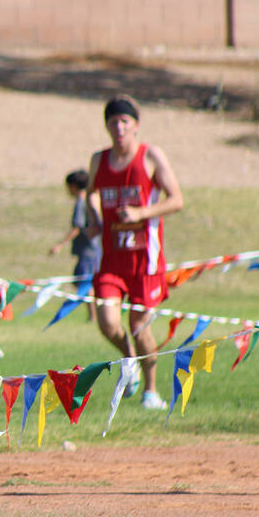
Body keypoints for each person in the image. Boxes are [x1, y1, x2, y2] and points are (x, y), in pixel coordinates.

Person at [86, 94, 184, 411]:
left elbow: (176, 200)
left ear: (136, 126)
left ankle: (151, 392)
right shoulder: (99, 160)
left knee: (140, 326)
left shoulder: (150, 156)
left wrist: (141, 214)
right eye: (113, 122)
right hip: (112, 259)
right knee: (106, 321)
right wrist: (96, 219)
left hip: (146, 260)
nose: (119, 128)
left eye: (124, 122)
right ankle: (130, 360)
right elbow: (91, 195)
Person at [48, 168, 101, 322]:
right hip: (93, 249)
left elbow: (77, 227)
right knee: (82, 282)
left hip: (88, 251)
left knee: (86, 284)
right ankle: (93, 315)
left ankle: (93, 316)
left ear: (73, 186)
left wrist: (60, 245)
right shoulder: (91, 200)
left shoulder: (81, 202)